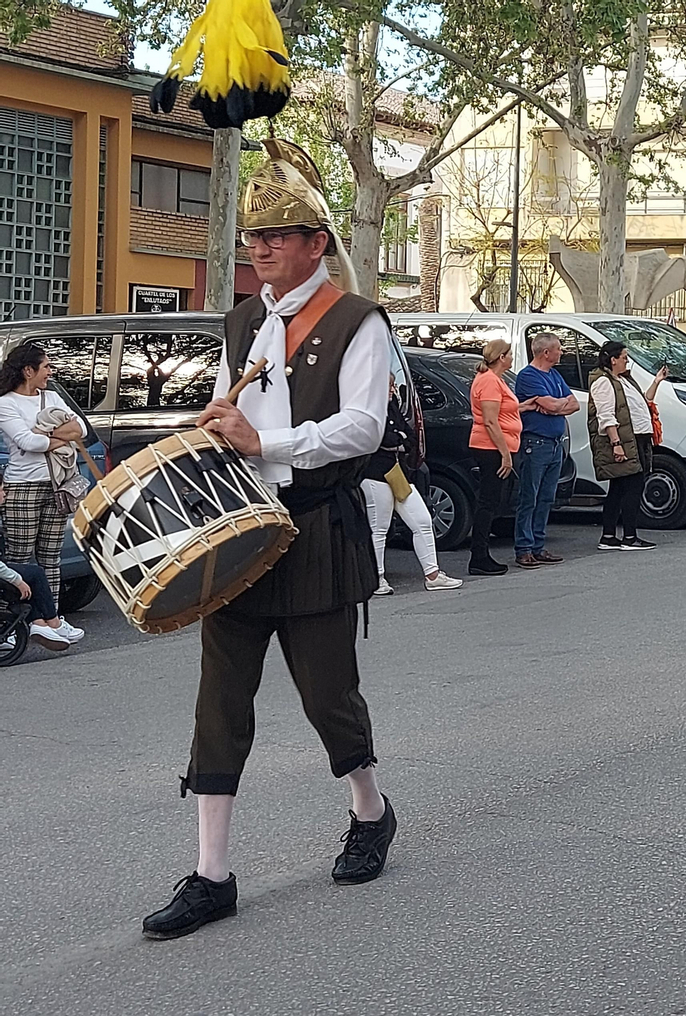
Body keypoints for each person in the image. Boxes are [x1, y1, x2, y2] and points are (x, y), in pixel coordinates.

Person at [143, 140, 395, 941]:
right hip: (243, 533)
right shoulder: (245, 318)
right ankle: (212, 876)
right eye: (252, 237)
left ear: (316, 243)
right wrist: (220, 426)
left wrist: (271, 446)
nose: (258, 248)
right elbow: (233, 405)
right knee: (220, 705)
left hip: (316, 527)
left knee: (328, 698)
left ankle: (371, 809)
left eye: (276, 235)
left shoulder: (358, 319)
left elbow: (365, 425)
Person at [0, 342, 88, 607]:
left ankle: (50, 618)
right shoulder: (6, 403)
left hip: (57, 485)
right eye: (46, 366)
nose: (51, 371)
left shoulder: (50, 397)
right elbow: (29, 443)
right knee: (20, 558)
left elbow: (80, 429)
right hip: (23, 488)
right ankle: (13, 622)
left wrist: (46, 436)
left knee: (51, 557)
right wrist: (62, 437)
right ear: (28, 370)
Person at [361, 385, 461, 594]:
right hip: (374, 473)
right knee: (379, 527)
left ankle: (432, 574)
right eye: (387, 385)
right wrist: (399, 440)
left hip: (397, 471)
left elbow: (408, 437)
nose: (392, 389)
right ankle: (377, 578)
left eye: (392, 385)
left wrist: (398, 440)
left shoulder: (392, 405)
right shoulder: (368, 409)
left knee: (423, 520)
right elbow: (382, 439)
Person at [588, 340, 666, 551]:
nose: (627, 361)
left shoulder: (623, 379)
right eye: (624, 358)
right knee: (633, 486)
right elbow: (606, 415)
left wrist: (657, 381)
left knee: (619, 487)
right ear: (613, 360)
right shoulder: (604, 382)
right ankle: (629, 536)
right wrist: (616, 443)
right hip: (624, 440)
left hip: (636, 438)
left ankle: (609, 535)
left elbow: (642, 402)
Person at [513, 330, 579, 568]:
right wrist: (554, 405)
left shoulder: (554, 375)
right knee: (529, 496)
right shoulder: (528, 376)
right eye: (559, 348)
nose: (562, 352)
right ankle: (524, 548)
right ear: (546, 352)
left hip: (554, 443)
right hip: (536, 443)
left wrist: (553, 407)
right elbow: (553, 403)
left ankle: (538, 546)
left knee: (546, 497)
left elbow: (573, 404)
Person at [468, 338, 521, 576]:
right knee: (488, 502)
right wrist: (505, 455)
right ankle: (479, 556)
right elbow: (490, 420)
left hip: (494, 446)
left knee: (491, 501)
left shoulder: (494, 380)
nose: (511, 357)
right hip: (490, 448)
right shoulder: (489, 381)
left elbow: (503, 412)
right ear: (501, 357)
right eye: (509, 354)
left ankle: (481, 554)